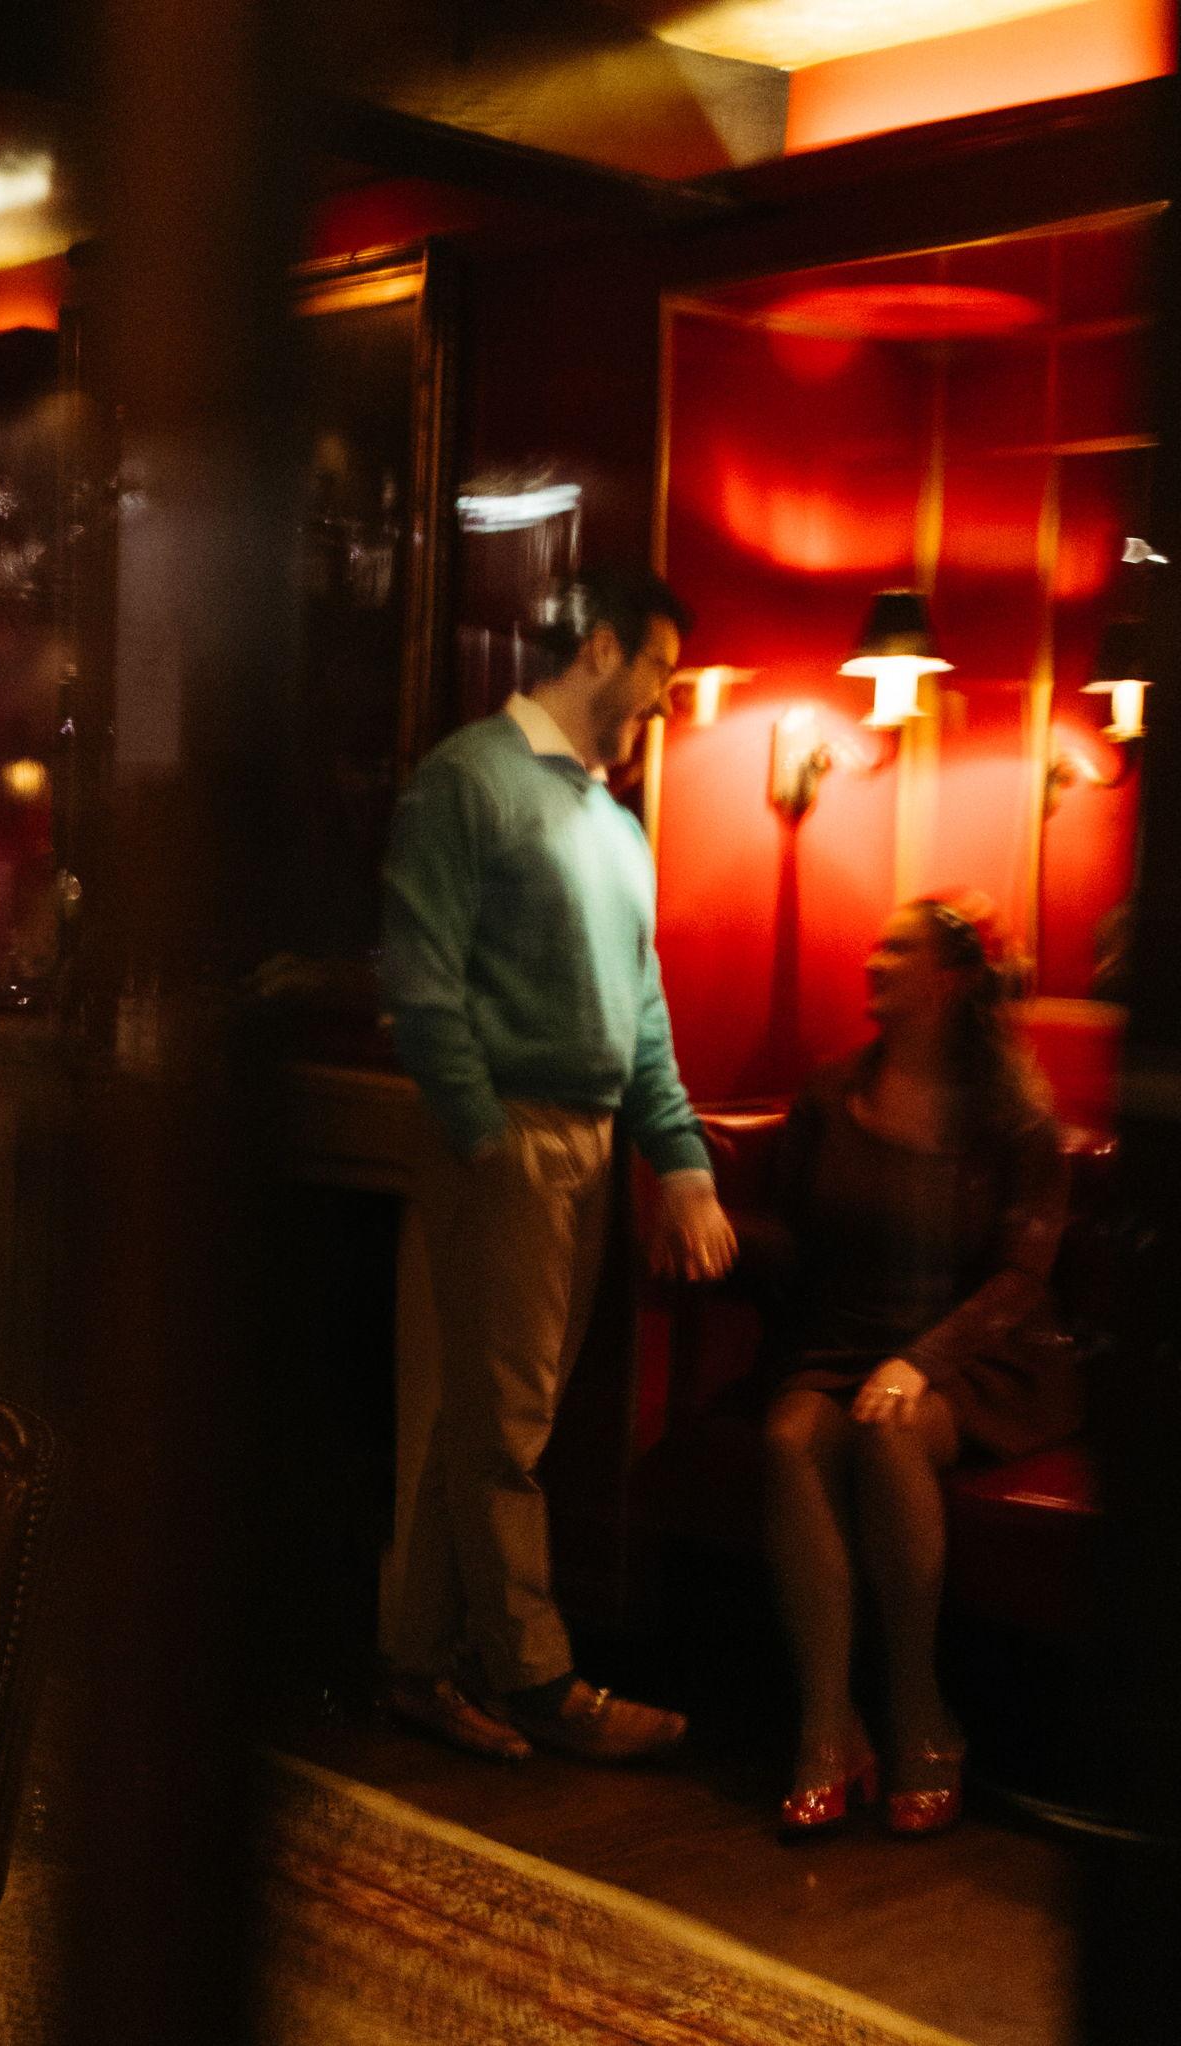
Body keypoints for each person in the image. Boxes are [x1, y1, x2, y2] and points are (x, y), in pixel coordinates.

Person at [378, 568, 736, 1764]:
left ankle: (418, 1661)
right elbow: (420, 978)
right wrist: (480, 1136)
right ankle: (536, 1676)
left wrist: (678, 1159)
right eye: (659, 668)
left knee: (485, 1419)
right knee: (506, 1431)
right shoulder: (467, 780)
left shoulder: (615, 826)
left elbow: (642, 1010)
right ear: (597, 648)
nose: (665, 698)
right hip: (510, 1135)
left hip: (587, 1139)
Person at [750, 892, 1078, 1836]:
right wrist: (696, 1214)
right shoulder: (831, 1093)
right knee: (789, 1440)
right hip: (842, 1341)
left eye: (897, 950)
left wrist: (921, 1362)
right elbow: (795, 1241)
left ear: (950, 979)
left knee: (889, 1435)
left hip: (983, 1353)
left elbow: (1022, 1274)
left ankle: (919, 1713)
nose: (872, 961)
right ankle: (826, 1727)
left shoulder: (1013, 1115)